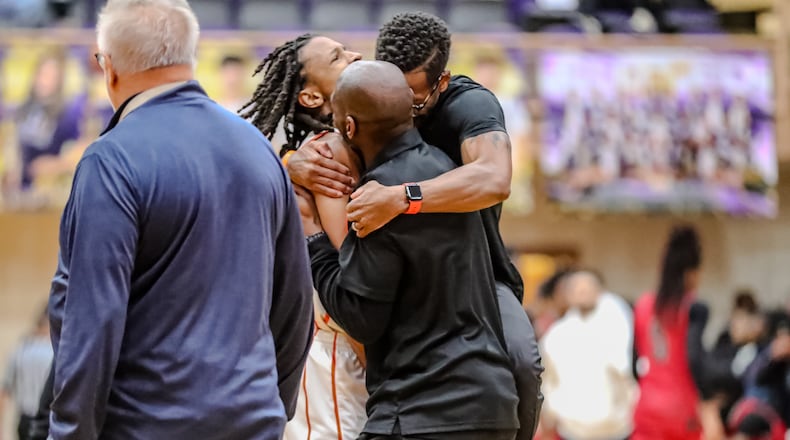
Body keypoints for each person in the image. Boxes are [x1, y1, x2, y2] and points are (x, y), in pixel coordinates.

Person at [45, 1, 313, 438]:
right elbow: (295, 301)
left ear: (108, 67)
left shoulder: (111, 160)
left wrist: (70, 432)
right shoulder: (259, 149)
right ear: (190, 58)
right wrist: (268, 408)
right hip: (252, 423)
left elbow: (91, 323)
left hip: (146, 427)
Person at [284, 13, 543, 439]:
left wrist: (403, 198)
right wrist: (290, 163)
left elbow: (496, 179)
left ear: (439, 84)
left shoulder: (468, 105)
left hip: (478, 276)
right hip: (395, 353)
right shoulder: (340, 139)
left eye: (414, 98)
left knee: (520, 360)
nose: (403, 101)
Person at [240, 34, 368, 440]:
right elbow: (355, 265)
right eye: (338, 57)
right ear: (311, 98)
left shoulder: (350, 145)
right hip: (337, 340)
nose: (356, 55)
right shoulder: (321, 155)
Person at [632, 225, 723, 440]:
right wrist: (709, 406)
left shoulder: (643, 305)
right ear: (692, 273)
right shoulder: (694, 307)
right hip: (681, 410)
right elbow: (695, 358)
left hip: (646, 405)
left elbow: (634, 359)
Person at [540, 270, 636, 440]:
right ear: (568, 295)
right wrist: (553, 411)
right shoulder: (557, 335)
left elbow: (626, 371)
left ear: (600, 291)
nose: (583, 292)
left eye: (588, 287)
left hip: (616, 427)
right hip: (572, 429)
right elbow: (548, 380)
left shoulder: (617, 324)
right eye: (578, 289)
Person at [0, 307, 53, 440]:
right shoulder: (55, 353)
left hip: (25, 421)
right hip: (47, 420)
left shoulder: (20, 351)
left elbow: (4, 393)